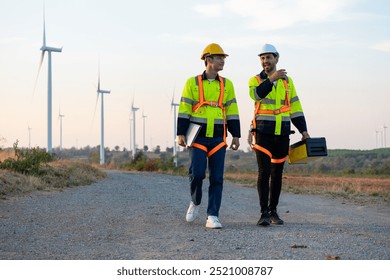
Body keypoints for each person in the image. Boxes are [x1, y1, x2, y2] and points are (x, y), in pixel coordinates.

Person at [177, 43, 241, 229]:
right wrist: (180, 132)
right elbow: (184, 108)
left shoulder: (227, 84)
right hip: (197, 136)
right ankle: (195, 201)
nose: (223, 61)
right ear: (208, 60)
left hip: (218, 137)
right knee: (197, 174)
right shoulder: (192, 82)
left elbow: (232, 110)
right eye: (219, 57)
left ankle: (212, 215)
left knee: (217, 178)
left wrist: (235, 135)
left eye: (224, 58)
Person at [248, 43, 310, 226]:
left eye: (268, 57)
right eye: (262, 57)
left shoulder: (288, 82)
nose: (265, 61)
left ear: (277, 58)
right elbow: (257, 95)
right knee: (263, 172)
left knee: (277, 174)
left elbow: (295, 108)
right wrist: (272, 79)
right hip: (262, 133)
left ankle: (273, 211)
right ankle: (263, 213)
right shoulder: (255, 80)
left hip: (282, 133)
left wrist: (304, 131)